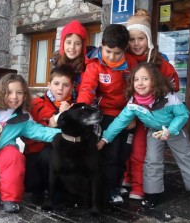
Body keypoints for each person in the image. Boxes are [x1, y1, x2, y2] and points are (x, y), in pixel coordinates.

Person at [97, 62, 190, 211]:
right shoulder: (134, 102)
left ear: (155, 80)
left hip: (173, 128)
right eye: (136, 79)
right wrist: (104, 139)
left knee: (186, 156)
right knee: (152, 159)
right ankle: (153, 194)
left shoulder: (168, 96)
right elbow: (120, 122)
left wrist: (170, 130)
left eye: (145, 78)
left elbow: (183, 114)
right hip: (154, 130)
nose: (140, 83)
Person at [0, 73, 61, 213]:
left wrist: (65, 134)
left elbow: (40, 131)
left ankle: (10, 198)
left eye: (19, 92)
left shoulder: (22, 117)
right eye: (9, 92)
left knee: (14, 156)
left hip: (5, 149)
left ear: (25, 95)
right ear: (2, 93)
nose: (14, 97)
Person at [123, 8, 181, 200]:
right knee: (124, 149)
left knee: (140, 151)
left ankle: (139, 186)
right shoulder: (125, 59)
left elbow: (174, 83)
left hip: (151, 117)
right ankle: (125, 179)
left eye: (141, 38)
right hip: (130, 113)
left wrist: (159, 92)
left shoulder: (158, 61)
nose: (136, 43)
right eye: (132, 39)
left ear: (148, 39)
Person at [77, 24, 138, 204]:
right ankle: (109, 188)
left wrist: (133, 115)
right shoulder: (94, 65)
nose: (111, 57)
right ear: (102, 45)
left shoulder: (132, 64)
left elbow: (138, 91)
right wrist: (81, 109)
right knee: (110, 153)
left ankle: (116, 184)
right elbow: (87, 89)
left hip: (128, 116)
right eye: (108, 51)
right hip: (107, 115)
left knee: (123, 153)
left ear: (125, 49)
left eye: (117, 53)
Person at [21, 65, 74, 197]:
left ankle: (58, 191)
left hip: (61, 152)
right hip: (35, 150)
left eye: (65, 85)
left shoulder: (75, 106)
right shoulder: (36, 103)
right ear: (49, 85)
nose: (60, 88)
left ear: (71, 87)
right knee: (32, 186)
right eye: (56, 84)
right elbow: (26, 130)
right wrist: (49, 123)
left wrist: (69, 113)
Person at [50, 20, 87, 98]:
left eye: (77, 44)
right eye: (68, 42)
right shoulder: (57, 63)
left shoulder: (88, 66)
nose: (72, 47)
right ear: (62, 44)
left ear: (83, 46)